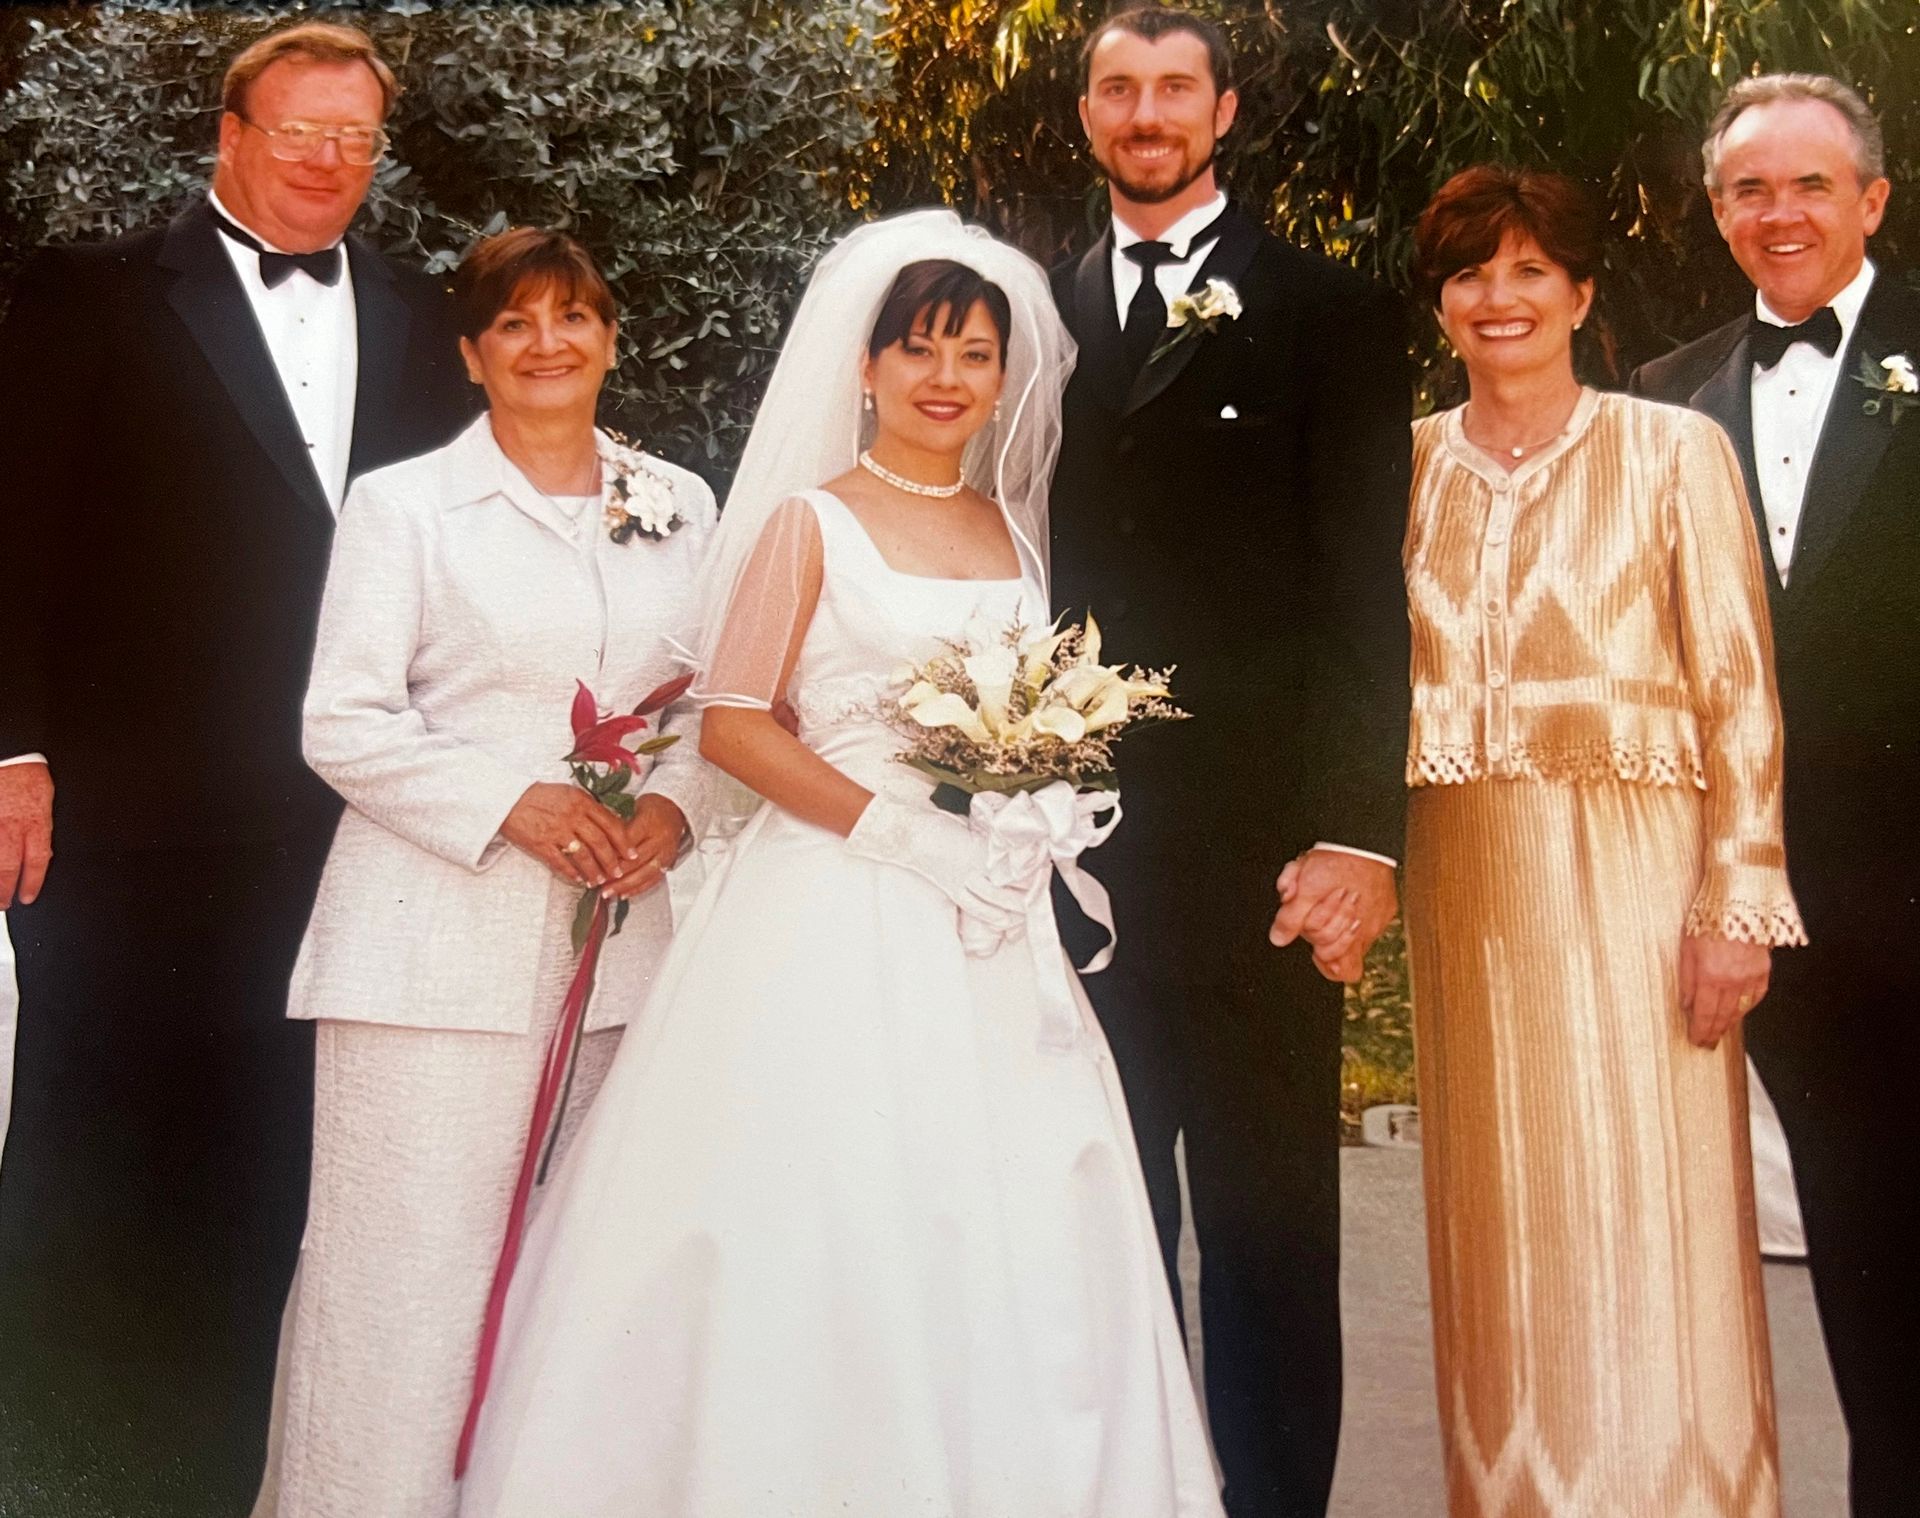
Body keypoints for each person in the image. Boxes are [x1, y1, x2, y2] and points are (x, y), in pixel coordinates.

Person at [458, 211, 1224, 1518]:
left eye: (974, 354)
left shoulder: (1014, 533)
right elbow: (735, 722)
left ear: (1006, 378)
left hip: (991, 918)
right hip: (839, 897)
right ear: (865, 367)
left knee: (1001, 1213)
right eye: (918, 349)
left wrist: (1019, 810)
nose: (945, 377)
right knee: (826, 1205)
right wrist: (903, 833)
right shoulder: (809, 523)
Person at [0, 19, 473, 1497]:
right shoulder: (91, 291)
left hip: (342, 824)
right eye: (301, 131)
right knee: (100, 1159)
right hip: (128, 825)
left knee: (281, 1168)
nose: (329, 162)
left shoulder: (419, 312)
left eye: (355, 139)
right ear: (231, 133)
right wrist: (11, 751)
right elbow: (15, 524)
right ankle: (69, 1470)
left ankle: (233, 1473)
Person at [251, 229, 715, 1518]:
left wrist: (675, 809)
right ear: (470, 355)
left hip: (620, 960)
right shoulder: (402, 505)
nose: (547, 343)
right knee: (401, 1287)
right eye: (514, 323)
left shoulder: (683, 502)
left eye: (573, 317)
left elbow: (711, 707)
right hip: (427, 960)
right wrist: (508, 803)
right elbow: (341, 721)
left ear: (612, 339)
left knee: (577, 1286)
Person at [1047, 9, 1412, 1512]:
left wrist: (1357, 834)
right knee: (1093, 1219)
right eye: (1119, 89)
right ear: (1086, 114)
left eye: (1173, 88)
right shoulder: (1030, 314)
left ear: (1225, 111)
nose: (1147, 113)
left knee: (1270, 1235)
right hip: (1066, 857)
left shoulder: (1332, 309)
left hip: (1271, 863)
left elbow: (1364, 588)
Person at [1403, 165, 1803, 1516]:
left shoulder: (1674, 449)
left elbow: (1740, 688)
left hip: (1645, 886)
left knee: (1653, 1208)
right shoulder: (1404, 466)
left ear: (1581, 293)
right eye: (1470, 272)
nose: (1498, 297)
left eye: (1530, 270)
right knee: (1505, 1218)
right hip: (1470, 891)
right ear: (1441, 302)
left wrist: (1737, 901)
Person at [1630, 73, 1920, 1518]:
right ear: (1716, 210)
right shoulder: (1664, 398)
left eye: (1812, 184)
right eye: (1751, 188)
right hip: (1793, 906)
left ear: (1874, 199)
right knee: (1870, 1264)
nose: (1781, 212)